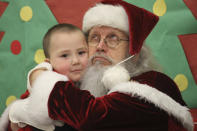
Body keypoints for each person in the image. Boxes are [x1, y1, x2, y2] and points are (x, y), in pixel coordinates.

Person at [6, 0, 194, 130]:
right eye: (94, 38)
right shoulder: (80, 86)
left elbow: (93, 119)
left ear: (135, 53)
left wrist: (42, 79)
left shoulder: (154, 83)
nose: (100, 46)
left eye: (112, 38)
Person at [0, 23, 88, 131]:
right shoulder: (47, 80)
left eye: (81, 52)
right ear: (48, 62)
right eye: (65, 55)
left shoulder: (86, 79)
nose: (76, 61)